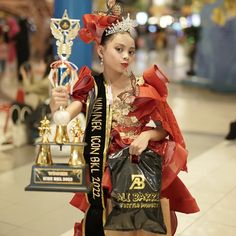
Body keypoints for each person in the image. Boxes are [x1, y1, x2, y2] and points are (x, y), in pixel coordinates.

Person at [50, 6, 199, 236]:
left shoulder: (143, 87)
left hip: (140, 168)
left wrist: (147, 135)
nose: (126, 56)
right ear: (100, 50)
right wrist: (56, 105)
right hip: (106, 169)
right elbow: (63, 117)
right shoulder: (92, 87)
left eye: (130, 51)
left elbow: (164, 130)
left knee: (145, 226)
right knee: (109, 224)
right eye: (119, 49)